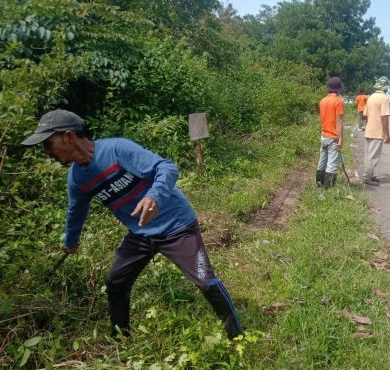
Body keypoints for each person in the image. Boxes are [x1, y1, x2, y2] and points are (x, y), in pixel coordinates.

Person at [21, 109, 244, 339]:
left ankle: (237, 338)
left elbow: (166, 168)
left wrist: (153, 197)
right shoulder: (77, 179)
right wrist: (70, 241)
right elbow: (76, 210)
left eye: (48, 143)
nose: (47, 151)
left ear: (68, 136)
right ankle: (120, 340)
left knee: (205, 280)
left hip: (176, 225)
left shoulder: (117, 150)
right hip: (141, 233)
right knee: (115, 283)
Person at [316, 77, 344, 188]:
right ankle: (328, 187)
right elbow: (339, 121)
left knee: (322, 160)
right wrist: (340, 139)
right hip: (333, 137)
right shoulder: (338, 101)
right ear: (339, 89)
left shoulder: (322, 101)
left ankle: (319, 183)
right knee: (332, 163)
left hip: (324, 135)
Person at [362, 76, 390, 186]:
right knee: (373, 156)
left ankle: (370, 174)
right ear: (386, 88)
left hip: (369, 130)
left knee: (368, 155)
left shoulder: (371, 97)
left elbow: (365, 115)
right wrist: (386, 134)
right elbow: (384, 117)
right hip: (377, 132)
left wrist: (369, 124)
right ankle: (367, 177)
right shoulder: (384, 98)